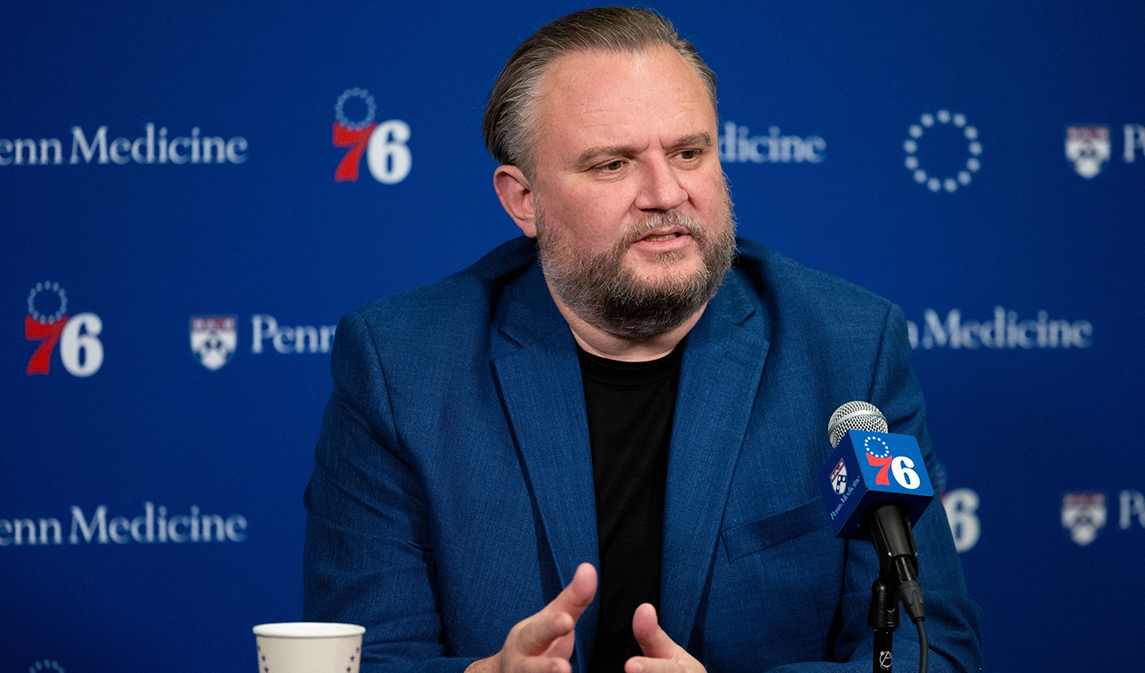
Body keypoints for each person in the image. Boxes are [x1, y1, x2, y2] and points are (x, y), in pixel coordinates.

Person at [303, 7, 983, 673]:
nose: (666, 192)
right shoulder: (401, 366)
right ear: (523, 200)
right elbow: (369, 655)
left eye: (690, 152)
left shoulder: (847, 349)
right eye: (612, 164)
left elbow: (933, 652)